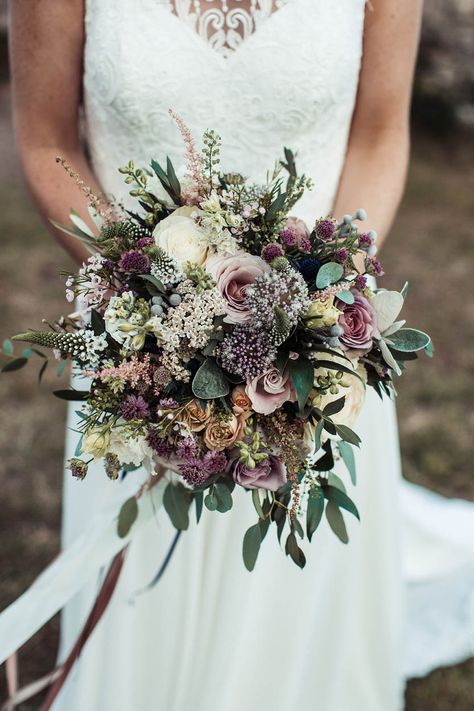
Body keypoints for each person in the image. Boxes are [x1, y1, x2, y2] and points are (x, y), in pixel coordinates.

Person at [8, 1, 474, 709]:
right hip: (139, 350)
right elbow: (45, 142)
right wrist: (160, 303)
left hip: (315, 354)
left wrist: (324, 310)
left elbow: (379, 135)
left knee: (299, 620)